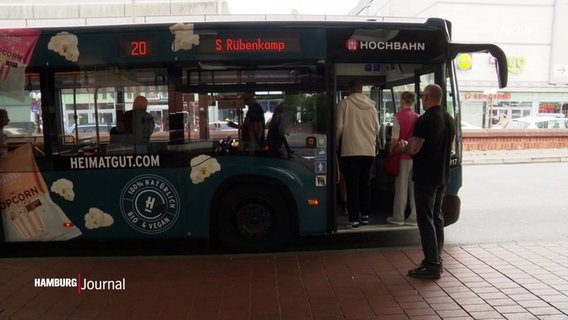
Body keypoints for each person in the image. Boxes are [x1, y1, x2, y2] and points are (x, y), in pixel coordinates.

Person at [398, 84, 456, 279]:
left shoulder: (426, 119)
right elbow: (451, 145)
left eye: (423, 96)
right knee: (437, 217)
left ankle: (431, 264)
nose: (421, 99)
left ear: (427, 97)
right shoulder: (449, 119)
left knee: (426, 220)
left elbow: (414, 148)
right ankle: (436, 258)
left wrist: (402, 148)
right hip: (442, 176)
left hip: (425, 176)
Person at [336, 80, 379, 228]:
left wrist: (335, 144)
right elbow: (376, 128)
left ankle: (353, 219)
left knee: (351, 185)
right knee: (365, 183)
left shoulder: (344, 104)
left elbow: (339, 128)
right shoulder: (372, 106)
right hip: (368, 151)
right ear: (361, 90)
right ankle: (365, 215)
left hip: (350, 150)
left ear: (349, 89)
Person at [386, 91, 419, 226]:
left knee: (401, 187)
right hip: (414, 156)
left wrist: (391, 151)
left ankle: (398, 216)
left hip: (402, 156)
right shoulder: (418, 117)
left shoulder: (398, 116)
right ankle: (413, 217)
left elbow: (395, 138)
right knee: (413, 188)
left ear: (402, 101)